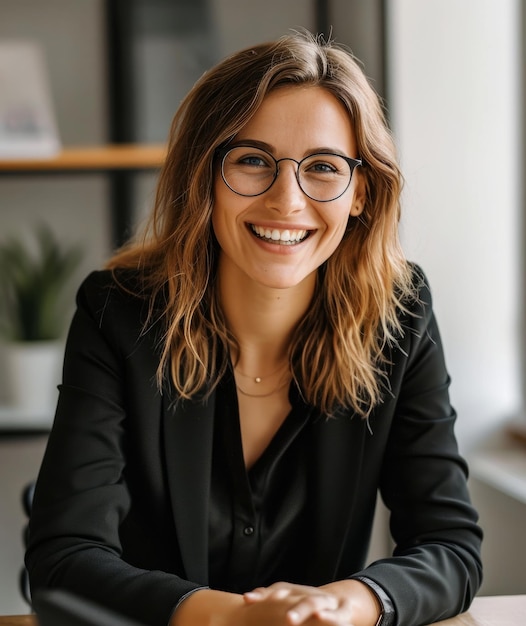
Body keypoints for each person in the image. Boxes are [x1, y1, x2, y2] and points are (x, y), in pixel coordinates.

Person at [26, 31, 483, 626]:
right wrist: (231, 618)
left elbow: (450, 546)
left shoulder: (400, 314)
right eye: (251, 160)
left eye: (323, 167)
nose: (287, 200)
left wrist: (344, 606)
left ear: (361, 193)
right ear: (204, 177)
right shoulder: (119, 313)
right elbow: (64, 562)